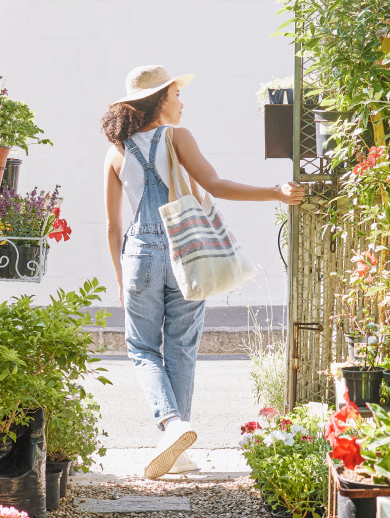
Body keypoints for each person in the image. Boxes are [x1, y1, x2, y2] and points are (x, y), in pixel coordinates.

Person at [100, 65, 305, 479]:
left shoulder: (116, 151)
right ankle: (176, 427)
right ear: (159, 99)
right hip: (186, 251)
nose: (182, 101)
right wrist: (275, 193)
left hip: (138, 253)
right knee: (180, 347)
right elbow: (216, 185)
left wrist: (121, 278)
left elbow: (112, 226)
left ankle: (174, 434)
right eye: (176, 94)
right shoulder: (178, 137)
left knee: (141, 349)